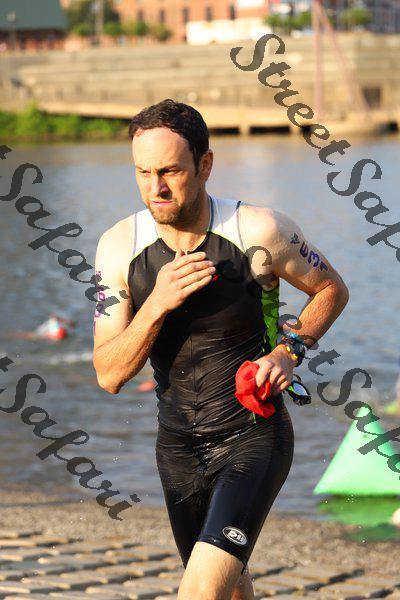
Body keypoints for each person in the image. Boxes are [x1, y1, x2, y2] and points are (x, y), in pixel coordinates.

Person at [92, 99, 349, 600]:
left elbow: (330, 289)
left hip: (253, 435)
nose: (156, 188)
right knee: (229, 589)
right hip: (177, 449)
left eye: (170, 171)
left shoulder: (259, 230)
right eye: (143, 172)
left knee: (200, 592)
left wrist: (289, 350)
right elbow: (109, 373)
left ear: (205, 165)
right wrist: (156, 304)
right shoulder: (118, 247)